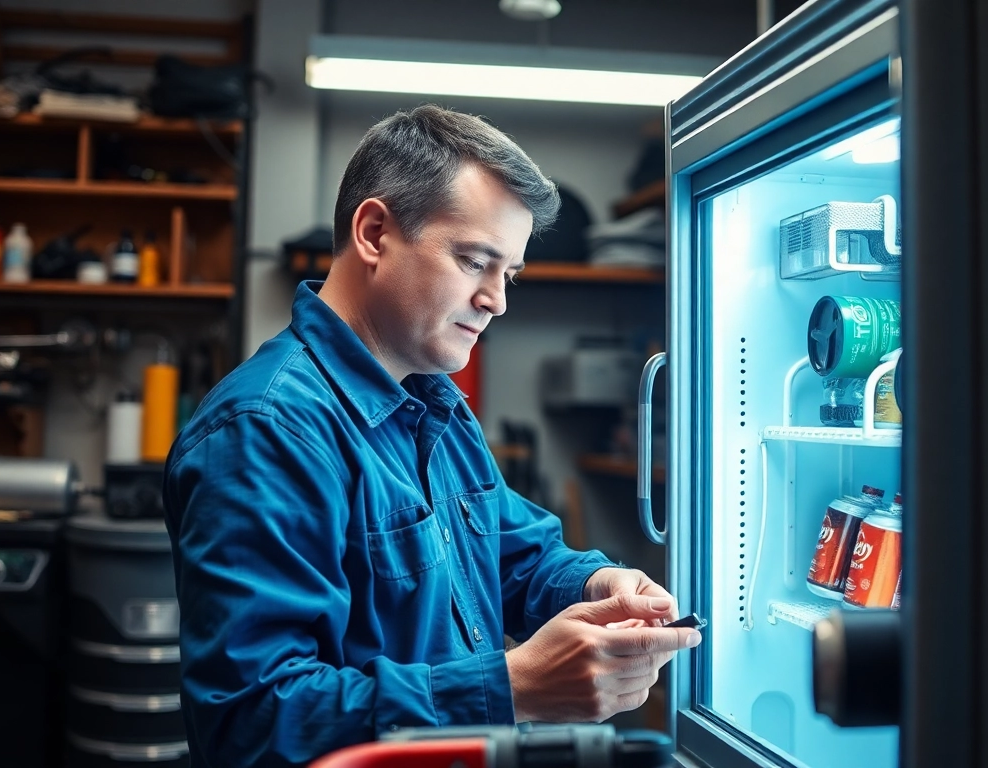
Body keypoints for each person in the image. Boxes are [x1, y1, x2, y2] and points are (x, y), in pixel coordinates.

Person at [162, 104, 699, 768]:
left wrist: (601, 586)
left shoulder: (435, 403)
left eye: (510, 273)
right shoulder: (266, 432)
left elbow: (514, 556)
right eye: (476, 261)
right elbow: (254, 721)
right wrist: (511, 687)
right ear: (375, 232)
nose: (497, 300)